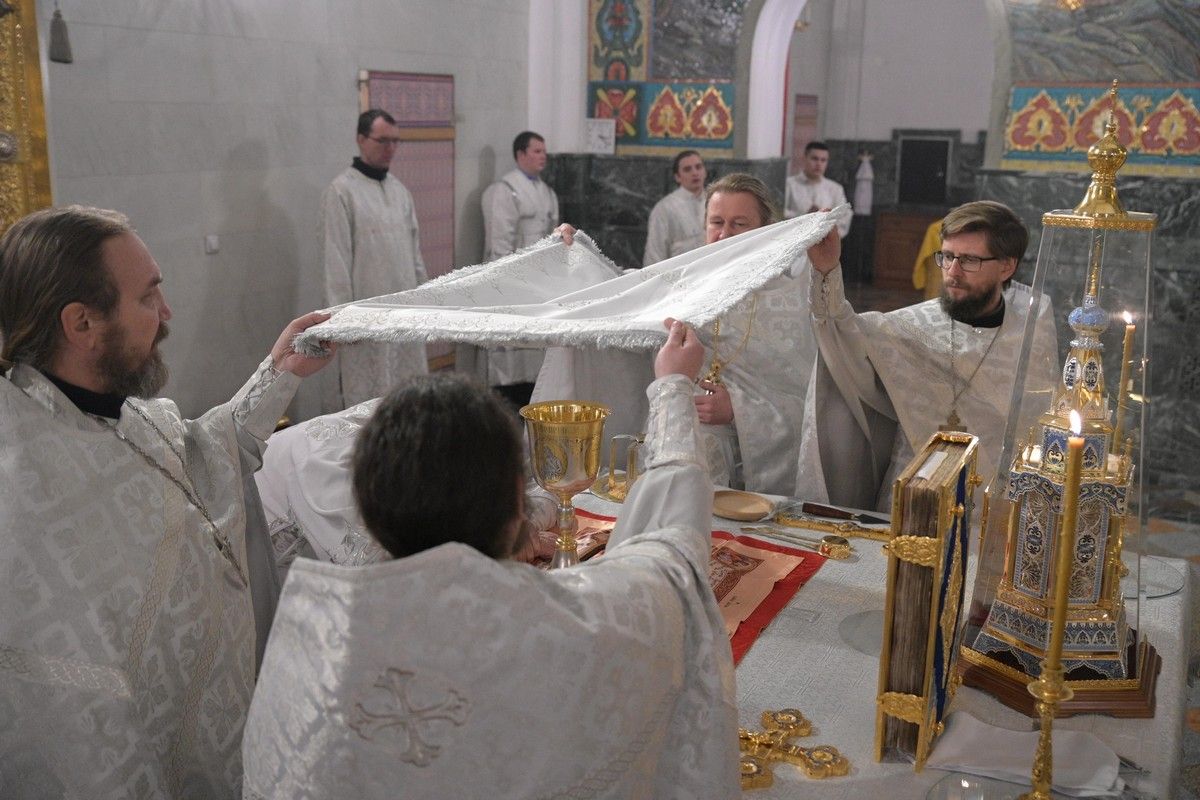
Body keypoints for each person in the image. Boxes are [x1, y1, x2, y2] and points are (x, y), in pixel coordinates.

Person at [242, 321, 740, 799]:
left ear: (367, 512)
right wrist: (673, 388)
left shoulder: (306, 647)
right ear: (514, 501)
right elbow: (671, 552)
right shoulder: (576, 627)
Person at [0, 205, 334, 798]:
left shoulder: (129, 413)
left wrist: (280, 371)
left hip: (208, 725)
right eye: (148, 296)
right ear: (82, 323)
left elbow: (201, 457)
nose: (168, 314)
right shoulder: (18, 469)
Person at [796, 200, 1058, 512]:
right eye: (947, 257)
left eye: (969, 260)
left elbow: (1038, 425)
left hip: (993, 509)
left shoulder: (1030, 329)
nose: (953, 272)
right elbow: (841, 334)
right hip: (909, 502)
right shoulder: (912, 327)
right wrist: (826, 270)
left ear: (1006, 267)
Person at [323, 108, 428, 409]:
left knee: (409, 397)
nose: (390, 148)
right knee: (368, 403)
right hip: (365, 318)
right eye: (383, 141)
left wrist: (425, 300)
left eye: (396, 141)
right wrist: (343, 320)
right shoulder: (342, 191)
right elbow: (335, 262)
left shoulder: (399, 191)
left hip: (405, 315)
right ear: (361, 139)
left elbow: (414, 254)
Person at [474, 130, 561, 407]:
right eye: (537, 151)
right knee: (509, 349)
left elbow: (554, 236)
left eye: (544, 151)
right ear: (520, 154)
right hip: (511, 278)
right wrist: (507, 280)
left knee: (534, 351)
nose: (543, 156)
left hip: (539, 279)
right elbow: (500, 241)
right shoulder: (505, 190)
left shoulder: (547, 192)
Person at [643, 149, 707, 265]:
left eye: (698, 167)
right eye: (687, 169)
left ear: (705, 171)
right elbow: (654, 253)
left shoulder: (715, 202)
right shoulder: (664, 208)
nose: (695, 173)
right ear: (677, 177)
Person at [784, 141, 851, 238]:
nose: (819, 164)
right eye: (814, 159)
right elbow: (780, 214)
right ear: (804, 158)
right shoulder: (789, 184)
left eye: (823, 160)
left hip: (824, 242)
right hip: (793, 240)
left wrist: (824, 220)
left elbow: (844, 218)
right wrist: (805, 217)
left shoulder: (836, 189)